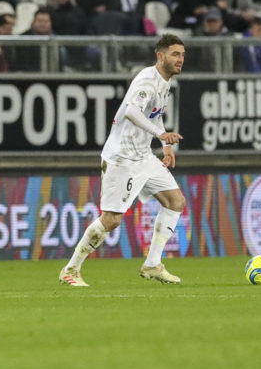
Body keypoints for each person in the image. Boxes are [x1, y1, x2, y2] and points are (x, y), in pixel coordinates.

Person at [60, 34, 187, 287]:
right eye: (175, 54)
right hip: (123, 157)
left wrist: (165, 145)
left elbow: (155, 114)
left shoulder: (164, 82)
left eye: (182, 55)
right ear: (160, 56)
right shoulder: (147, 80)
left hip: (143, 155)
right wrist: (160, 134)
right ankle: (70, 269)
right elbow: (131, 111)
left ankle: (152, 264)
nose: (180, 59)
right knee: (112, 220)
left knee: (175, 201)